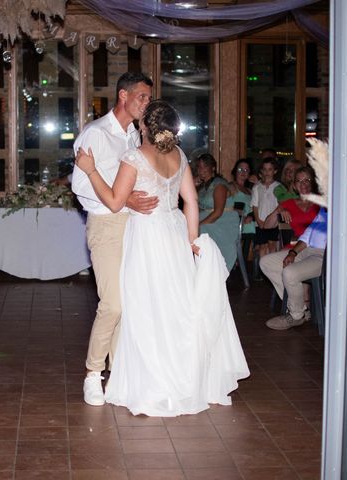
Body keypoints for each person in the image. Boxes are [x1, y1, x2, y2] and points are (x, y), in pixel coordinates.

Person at [75, 100, 249, 416]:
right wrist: (192, 239)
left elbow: (115, 203)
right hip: (173, 232)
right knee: (173, 307)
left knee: (145, 308)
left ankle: (151, 379)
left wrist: (91, 171)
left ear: (144, 127)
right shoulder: (179, 156)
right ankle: (178, 377)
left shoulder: (134, 157)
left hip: (146, 236)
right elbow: (192, 201)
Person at [71, 72, 158, 406]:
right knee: (113, 304)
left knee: (128, 302)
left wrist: (132, 198)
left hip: (133, 225)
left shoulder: (136, 137)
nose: (146, 104)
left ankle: (118, 371)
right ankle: (93, 374)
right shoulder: (95, 133)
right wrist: (119, 198)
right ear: (123, 95)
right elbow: (80, 186)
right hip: (106, 225)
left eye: (149, 98)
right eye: (142, 97)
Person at [260, 207, 327, 330]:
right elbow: (307, 236)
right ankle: (301, 308)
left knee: (289, 272)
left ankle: (296, 315)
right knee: (266, 262)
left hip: (325, 256)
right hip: (307, 250)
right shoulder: (323, 210)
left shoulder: (343, 211)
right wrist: (293, 253)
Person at [194, 152, 240, 270]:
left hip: (223, 221)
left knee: (198, 230)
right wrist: (193, 186)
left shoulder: (219, 185)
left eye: (205, 166)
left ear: (213, 168)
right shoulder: (203, 186)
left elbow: (217, 212)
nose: (201, 169)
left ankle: (209, 268)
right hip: (209, 219)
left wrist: (198, 224)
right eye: (199, 166)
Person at [251, 157, 280, 275]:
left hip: (274, 223)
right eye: (265, 169)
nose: (267, 172)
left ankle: (272, 270)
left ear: (275, 171)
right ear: (261, 171)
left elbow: (281, 204)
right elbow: (255, 205)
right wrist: (258, 220)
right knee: (262, 246)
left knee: (272, 245)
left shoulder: (278, 187)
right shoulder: (257, 187)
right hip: (261, 222)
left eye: (270, 169)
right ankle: (264, 271)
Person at [229, 158, 255, 262]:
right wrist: (241, 216)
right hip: (238, 224)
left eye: (246, 170)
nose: (243, 172)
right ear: (235, 171)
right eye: (240, 169)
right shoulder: (231, 187)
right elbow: (226, 206)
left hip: (252, 223)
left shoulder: (251, 190)